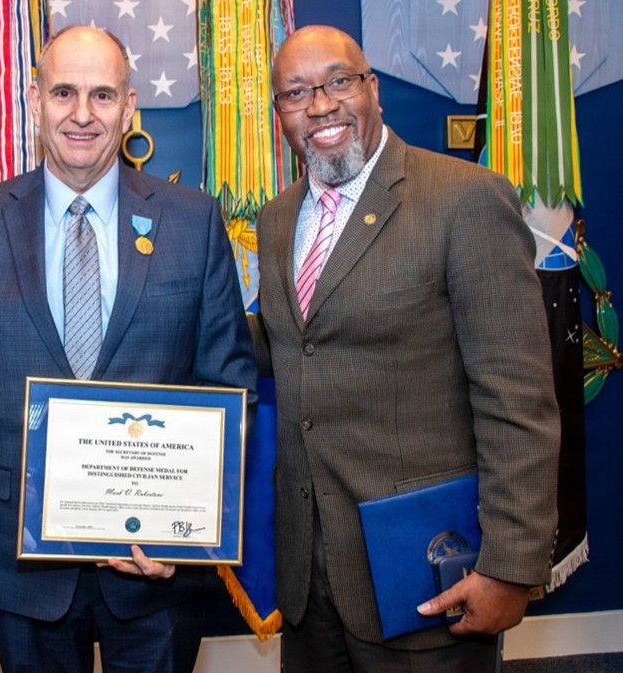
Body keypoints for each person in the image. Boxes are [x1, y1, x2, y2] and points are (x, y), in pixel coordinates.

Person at [0, 25, 256, 673]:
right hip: (17, 564)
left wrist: (187, 530)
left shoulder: (192, 222)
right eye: (63, 92)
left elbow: (229, 385)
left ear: (129, 105)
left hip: (155, 568)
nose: (82, 114)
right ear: (33, 100)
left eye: (102, 95)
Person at [250, 25, 561, 672]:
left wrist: (508, 566)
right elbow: (288, 345)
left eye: (338, 81)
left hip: (424, 571)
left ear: (373, 89)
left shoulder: (462, 200)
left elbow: (517, 399)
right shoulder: (278, 220)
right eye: (295, 92)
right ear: (278, 113)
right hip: (309, 577)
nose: (320, 105)